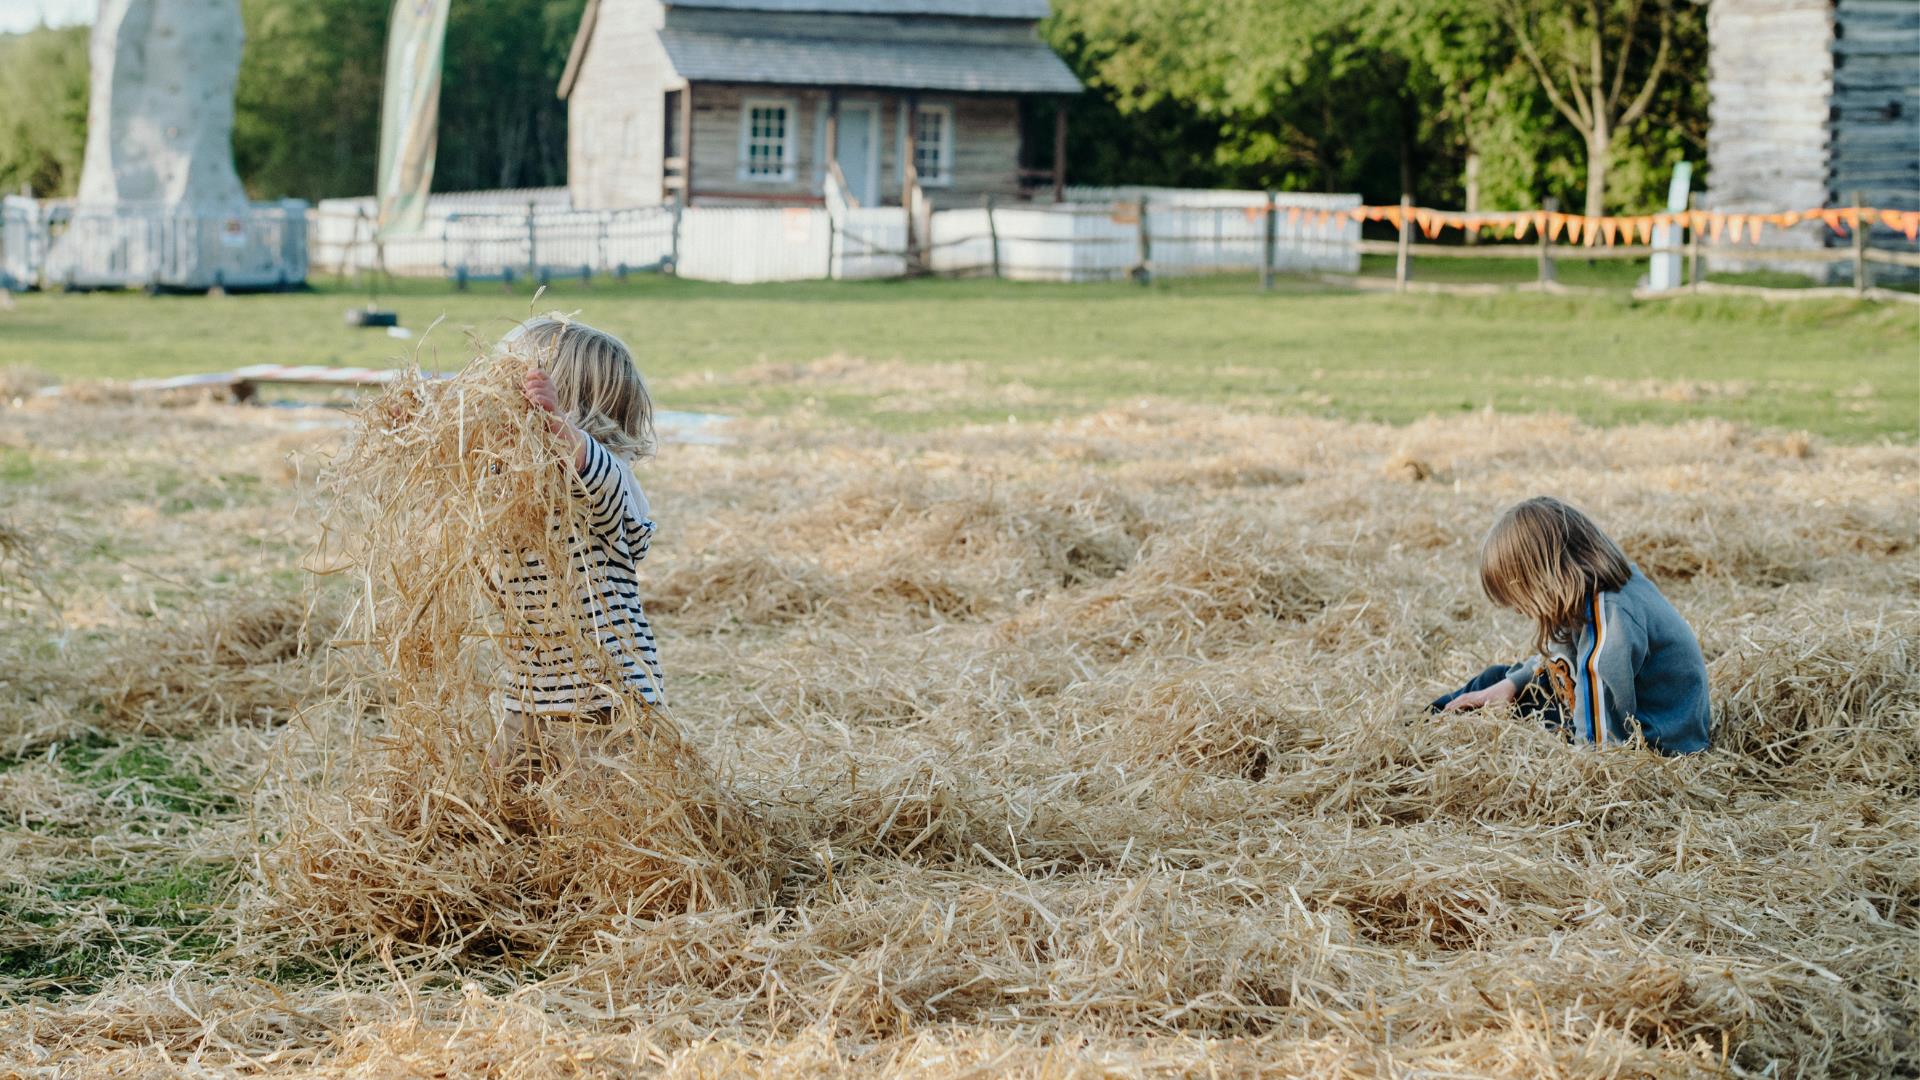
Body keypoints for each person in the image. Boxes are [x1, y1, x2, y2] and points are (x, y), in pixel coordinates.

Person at [493, 316, 663, 775]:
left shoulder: (611, 475)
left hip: (603, 695)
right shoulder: (522, 482)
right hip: (529, 688)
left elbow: (597, 484)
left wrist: (556, 427)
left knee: (600, 809)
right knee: (506, 797)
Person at [1430, 496, 1711, 755]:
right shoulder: (1586, 594)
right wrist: (1512, 683)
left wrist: (1582, 764)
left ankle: (1432, 731)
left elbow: (1601, 716)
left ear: (1544, 578)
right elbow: (1560, 662)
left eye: (1517, 596)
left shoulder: (1610, 612)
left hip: (1652, 740)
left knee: (1520, 725)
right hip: (1621, 719)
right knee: (1496, 680)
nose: (1517, 609)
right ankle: (1424, 729)